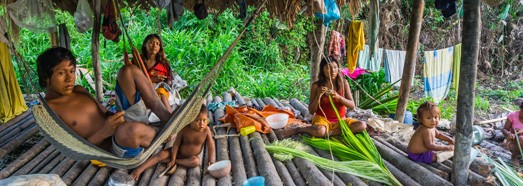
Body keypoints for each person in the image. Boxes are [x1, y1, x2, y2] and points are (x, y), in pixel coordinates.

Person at [36, 47, 165, 158]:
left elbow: (105, 112)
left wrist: (115, 117)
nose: (70, 78)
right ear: (45, 78)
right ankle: (162, 133)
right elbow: (75, 151)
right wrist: (105, 131)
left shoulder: (79, 90)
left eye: (71, 71)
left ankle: (167, 117)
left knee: (128, 71)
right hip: (114, 148)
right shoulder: (49, 111)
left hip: (122, 126)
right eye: (61, 73)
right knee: (129, 130)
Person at [282, 56, 366, 137]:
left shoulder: (343, 83)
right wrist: (318, 95)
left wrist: (338, 97)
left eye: (335, 67)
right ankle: (300, 129)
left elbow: (352, 105)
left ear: (338, 69)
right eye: (328, 68)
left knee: (362, 125)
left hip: (341, 120)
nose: (332, 71)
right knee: (319, 131)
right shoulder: (316, 86)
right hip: (322, 120)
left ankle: (329, 133)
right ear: (323, 69)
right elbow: (311, 111)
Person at [130, 104, 215, 180]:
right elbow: (176, 145)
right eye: (198, 120)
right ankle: (139, 170)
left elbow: (211, 146)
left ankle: (170, 161)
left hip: (191, 157)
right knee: (161, 154)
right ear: (190, 119)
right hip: (177, 152)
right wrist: (173, 158)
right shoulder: (184, 129)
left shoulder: (206, 131)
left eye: (204, 120)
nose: (202, 124)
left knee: (196, 162)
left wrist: (211, 159)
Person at [142, 34, 174, 112]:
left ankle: (170, 116)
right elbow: (133, 79)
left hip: (160, 90)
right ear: (145, 45)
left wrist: (162, 82)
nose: (154, 46)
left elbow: (169, 80)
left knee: (162, 93)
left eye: (157, 44)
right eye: (151, 42)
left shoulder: (164, 63)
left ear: (160, 48)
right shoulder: (138, 61)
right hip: (143, 89)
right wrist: (152, 79)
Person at [502, 101, 523, 166]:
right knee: (520, 138)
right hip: (514, 142)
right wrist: (509, 134)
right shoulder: (512, 116)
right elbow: (504, 129)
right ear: (520, 108)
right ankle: (514, 157)